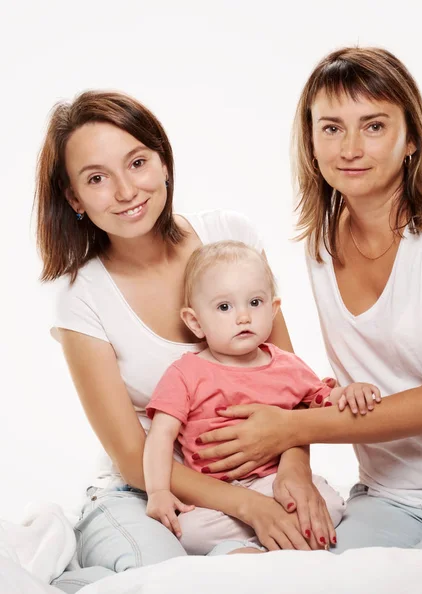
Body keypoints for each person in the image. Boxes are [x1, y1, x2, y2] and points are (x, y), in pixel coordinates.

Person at [189, 47, 422, 588]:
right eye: (331, 128)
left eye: (373, 126)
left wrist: (289, 430)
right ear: (311, 140)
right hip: (390, 498)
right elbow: (300, 380)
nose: (350, 148)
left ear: (411, 137)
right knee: (310, 583)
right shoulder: (322, 243)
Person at [35, 91, 338, 593]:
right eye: (96, 179)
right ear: (74, 200)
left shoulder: (229, 236)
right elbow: (134, 459)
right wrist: (249, 507)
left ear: (164, 161)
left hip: (257, 478)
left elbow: (289, 384)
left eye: (137, 163)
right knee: (172, 582)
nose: (126, 190)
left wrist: (296, 470)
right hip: (145, 493)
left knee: (312, 563)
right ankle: (92, 561)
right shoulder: (81, 297)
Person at [143, 240, 377, 554]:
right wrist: (157, 490)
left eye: (254, 303)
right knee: (187, 532)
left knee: (331, 503)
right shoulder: (185, 373)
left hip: (274, 481)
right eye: (224, 307)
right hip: (215, 495)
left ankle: (266, 541)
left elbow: (320, 401)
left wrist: (349, 392)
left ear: (273, 309)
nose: (243, 317)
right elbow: (160, 436)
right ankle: (265, 540)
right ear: (196, 322)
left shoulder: (287, 366)